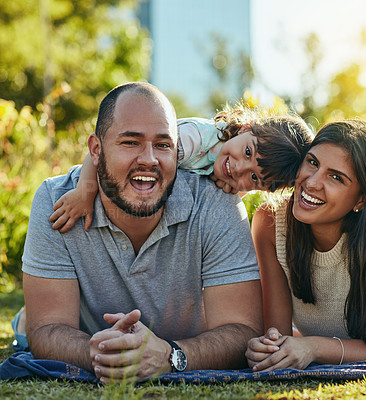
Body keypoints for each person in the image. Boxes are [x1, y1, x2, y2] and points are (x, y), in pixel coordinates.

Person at [21, 81, 263, 383]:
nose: (149, 159)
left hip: (177, 346)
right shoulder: (57, 200)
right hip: (79, 333)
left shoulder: (216, 204)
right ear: (96, 150)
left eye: (163, 145)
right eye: (130, 142)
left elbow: (242, 330)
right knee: (26, 324)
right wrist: (101, 354)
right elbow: (46, 328)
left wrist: (169, 355)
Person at [246, 119, 366, 371]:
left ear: (361, 199)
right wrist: (268, 348)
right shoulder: (271, 222)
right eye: (313, 162)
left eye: (336, 178)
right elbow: (276, 334)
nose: (312, 182)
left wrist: (313, 347)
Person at [48, 105, 312, 233]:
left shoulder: (234, 176)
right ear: (246, 127)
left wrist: (230, 190)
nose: (239, 168)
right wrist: (84, 192)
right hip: (114, 176)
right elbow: (104, 153)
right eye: (247, 152)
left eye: (254, 178)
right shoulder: (192, 139)